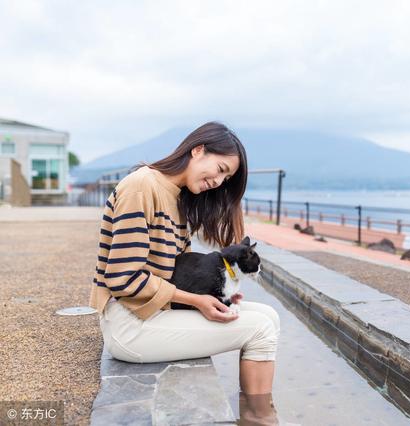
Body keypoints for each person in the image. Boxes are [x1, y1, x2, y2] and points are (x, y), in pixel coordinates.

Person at [89, 122, 280, 397]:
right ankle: (259, 417)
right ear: (199, 150)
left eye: (225, 180)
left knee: (269, 315)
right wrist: (196, 301)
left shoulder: (176, 197)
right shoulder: (141, 187)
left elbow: (179, 271)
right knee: (261, 329)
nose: (218, 182)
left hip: (153, 313)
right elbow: (122, 278)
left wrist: (213, 294)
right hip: (130, 323)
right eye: (221, 170)